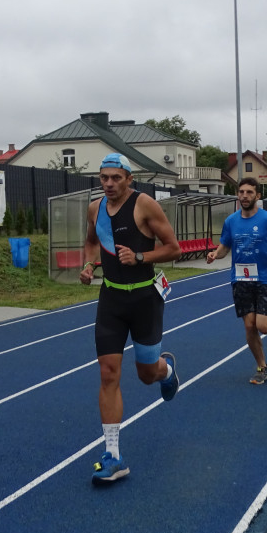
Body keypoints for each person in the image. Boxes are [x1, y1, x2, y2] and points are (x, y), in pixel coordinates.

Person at [79, 153, 182, 484]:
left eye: (115, 178)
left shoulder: (145, 206)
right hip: (110, 299)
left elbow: (173, 248)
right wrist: (90, 264)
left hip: (144, 299)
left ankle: (166, 371)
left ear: (129, 179)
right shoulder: (95, 209)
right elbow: (92, 242)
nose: (108, 183)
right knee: (108, 373)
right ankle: (113, 455)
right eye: (103, 178)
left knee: (146, 374)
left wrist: (140, 256)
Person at [206, 177, 267, 385]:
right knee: (249, 326)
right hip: (240, 279)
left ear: (257, 195)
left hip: (265, 278)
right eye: (241, 192)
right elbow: (225, 247)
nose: (244, 196)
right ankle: (262, 367)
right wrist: (214, 254)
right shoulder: (231, 221)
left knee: (263, 326)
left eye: (249, 192)